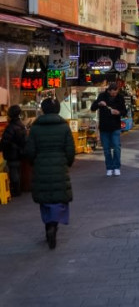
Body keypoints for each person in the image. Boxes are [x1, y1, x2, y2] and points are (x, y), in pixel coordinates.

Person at [25, 98, 75, 250]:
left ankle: (48, 225)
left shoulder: (35, 128)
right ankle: (54, 225)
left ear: (43, 110)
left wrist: (34, 162)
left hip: (41, 165)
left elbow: (30, 151)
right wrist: (67, 162)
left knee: (45, 198)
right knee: (59, 197)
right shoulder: (64, 127)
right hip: (60, 165)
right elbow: (70, 150)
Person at [91, 83, 127, 177]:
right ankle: (109, 167)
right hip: (104, 126)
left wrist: (118, 112)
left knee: (116, 147)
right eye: (113, 93)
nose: (115, 94)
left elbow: (124, 111)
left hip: (115, 126)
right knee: (106, 149)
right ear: (109, 90)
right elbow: (93, 108)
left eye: (116, 92)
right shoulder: (102, 96)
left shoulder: (120, 97)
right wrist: (99, 103)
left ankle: (116, 167)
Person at [0, 105, 27, 197]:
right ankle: (18, 189)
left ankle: (16, 190)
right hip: (19, 153)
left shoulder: (11, 127)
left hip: (12, 153)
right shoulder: (21, 125)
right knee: (17, 171)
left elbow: (5, 141)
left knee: (13, 172)